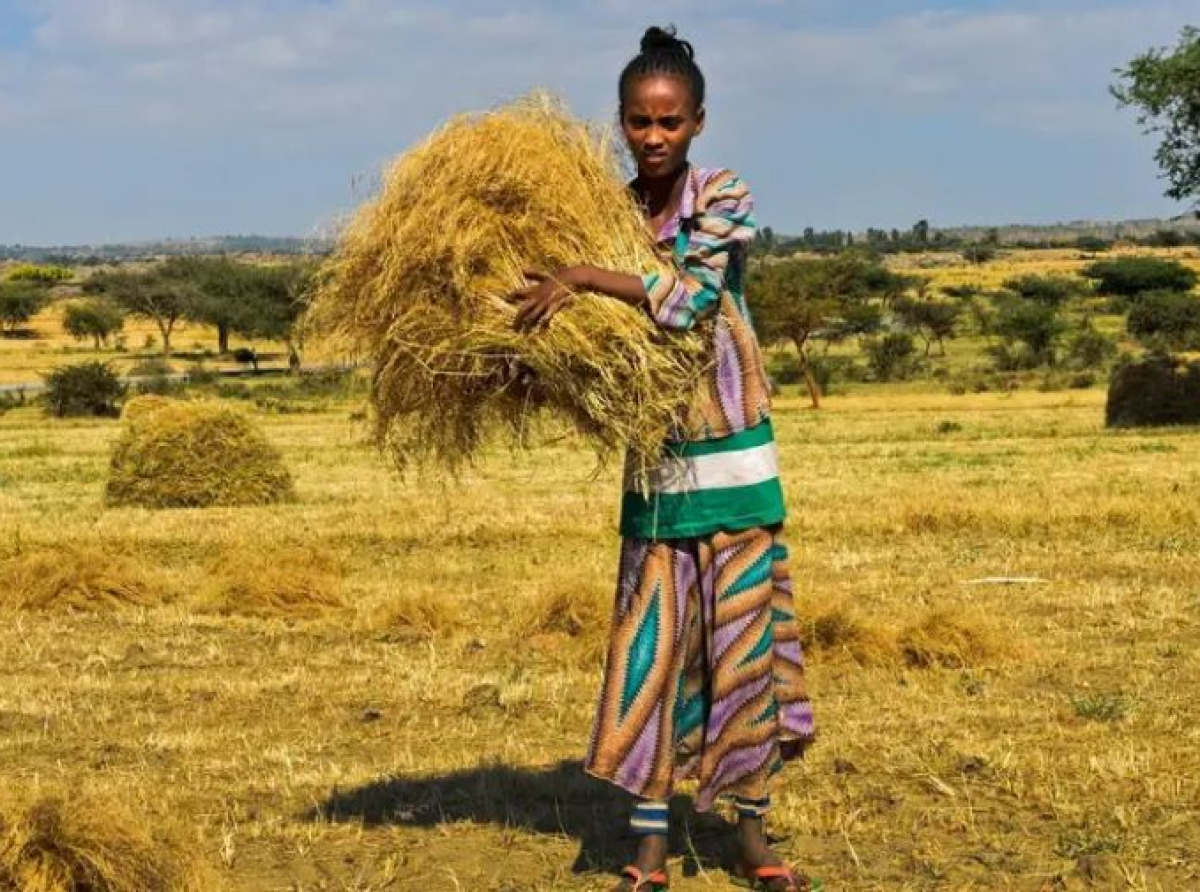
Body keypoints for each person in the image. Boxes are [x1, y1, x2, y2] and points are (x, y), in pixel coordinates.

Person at [512, 25, 817, 892]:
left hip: (732, 459)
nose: (653, 138)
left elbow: (686, 304)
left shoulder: (723, 196)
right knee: (653, 652)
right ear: (620, 124)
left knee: (744, 654)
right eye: (638, 123)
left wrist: (586, 275)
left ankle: (751, 842)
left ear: (698, 123)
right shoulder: (606, 213)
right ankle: (648, 854)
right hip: (656, 465)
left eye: (669, 122)